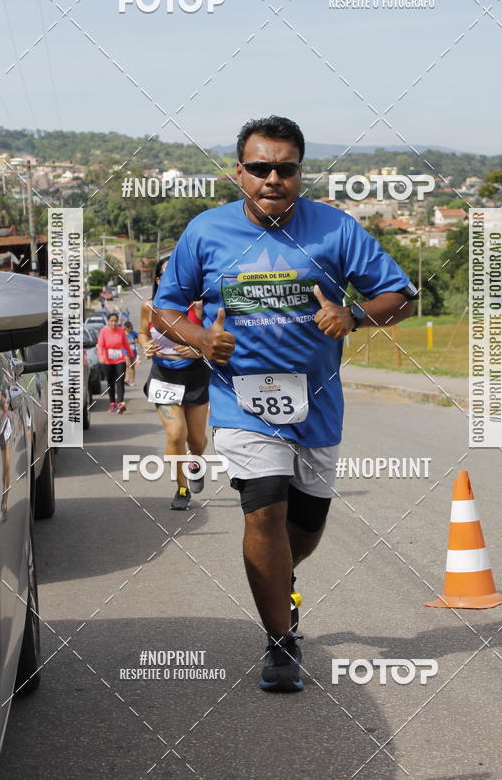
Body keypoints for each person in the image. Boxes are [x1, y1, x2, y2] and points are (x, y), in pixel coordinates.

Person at [153, 115, 417, 692]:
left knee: (306, 523)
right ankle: (279, 643)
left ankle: (282, 577)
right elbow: (165, 308)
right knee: (263, 510)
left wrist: (353, 315)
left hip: (316, 404)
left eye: (285, 168)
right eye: (259, 167)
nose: (272, 178)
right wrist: (199, 339)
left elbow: (401, 297)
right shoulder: (205, 232)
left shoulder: (336, 230)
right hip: (239, 401)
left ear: (300, 172)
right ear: (238, 172)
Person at [139, 258, 210, 511]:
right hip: (163, 376)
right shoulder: (149, 306)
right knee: (176, 433)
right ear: (158, 279)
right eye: (166, 274)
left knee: (197, 441)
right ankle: (181, 488)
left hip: (194, 377)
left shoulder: (198, 306)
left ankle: (195, 463)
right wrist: (145, 345)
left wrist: (199, 349)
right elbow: (143, 333)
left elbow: (212, 336)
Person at [96, 312, 135, 413]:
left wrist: (131, 355)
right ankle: (112, 403)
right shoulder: (103, 331)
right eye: (111, 321)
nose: (113, 323)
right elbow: (100, 345)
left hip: (119, 360)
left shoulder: (121, 331)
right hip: (108, 360)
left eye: (115, 321)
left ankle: (120, 403)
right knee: (110, 382)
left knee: (120, 381)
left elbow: (125, 343)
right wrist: (100, 356)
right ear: (108, 321)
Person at [123, 320, 138, 386]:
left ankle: (132, 380)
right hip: (126, 351)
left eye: (129, 327)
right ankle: (127, 379)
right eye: (127, 327)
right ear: (125, 327)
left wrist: (135, 340)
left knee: (132, 366)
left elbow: (139, 340)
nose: (128, 328)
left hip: (133, 351)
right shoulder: (123, 333)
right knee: (127, 365)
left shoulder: (134, 333)